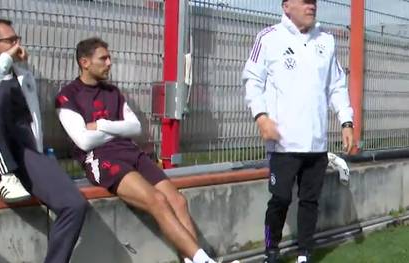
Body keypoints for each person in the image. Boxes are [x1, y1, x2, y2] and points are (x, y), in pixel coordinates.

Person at [56, 37, 238, 263]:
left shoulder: (113, 92)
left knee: (178, 201)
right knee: (158, 200)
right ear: (84, 62)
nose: (109, 62)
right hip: (100, 158)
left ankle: (193, 260)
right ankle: (205, 261)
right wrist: (117, 129)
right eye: (103, 58)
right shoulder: (68, 95)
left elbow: (135, 127)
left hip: (130, 152)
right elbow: (83, 141)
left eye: (109, 57)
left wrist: (102, 125)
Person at [0, 19, 87, 262]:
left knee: (74, 205)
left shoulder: (23, 76)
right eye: (11, 40)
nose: (18, 45)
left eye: (18, 40)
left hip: (23, 153)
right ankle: (6, 174)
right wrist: (6, 61)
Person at [242, 0, 354, 262]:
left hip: (316, 143)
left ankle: (305, 252)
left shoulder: (326, 41)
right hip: (283, 143)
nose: (311, 6)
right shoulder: (268, 38)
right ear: (286, 6)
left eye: (314, 1)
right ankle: (271, 249)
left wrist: (346, 121)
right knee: (280, 199)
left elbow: (337, 86)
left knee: (309, 202)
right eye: (304, 1)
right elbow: (252, 80)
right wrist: (261, 117)